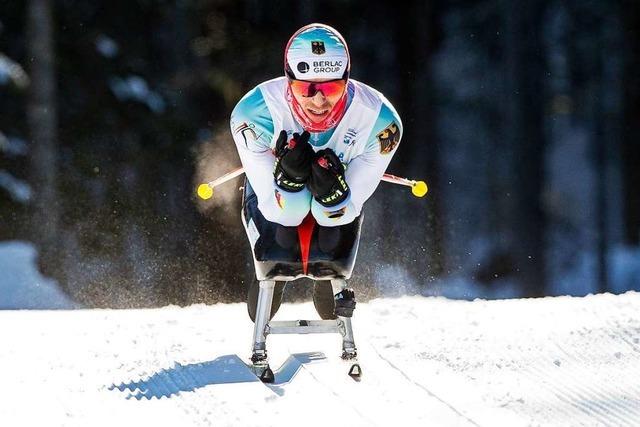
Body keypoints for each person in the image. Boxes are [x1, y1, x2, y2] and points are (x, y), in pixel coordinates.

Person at [230, 23, 402, 322]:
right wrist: (289, 179)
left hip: (339, 185)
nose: (319, 101)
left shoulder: (381, 123)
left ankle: (325, 279)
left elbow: (347, 208)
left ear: (347, 81)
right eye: (306, 88)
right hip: (277, 197)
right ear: (289, 81)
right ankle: (276, 278)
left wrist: (332, 194)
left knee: (330, 241)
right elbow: (278, 211)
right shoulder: (253, 115)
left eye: (331, 88)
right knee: (281, 244)